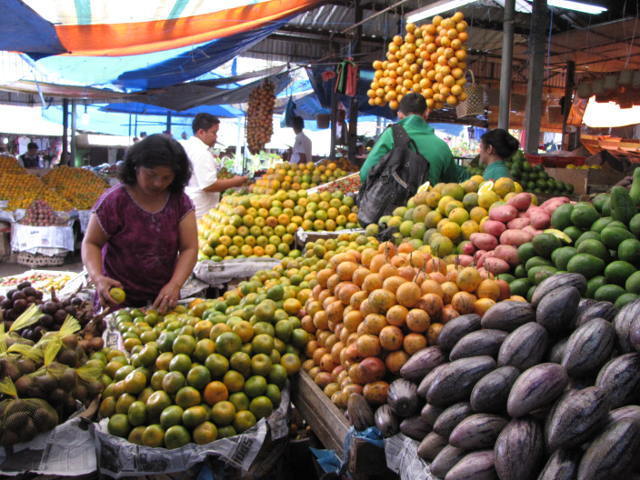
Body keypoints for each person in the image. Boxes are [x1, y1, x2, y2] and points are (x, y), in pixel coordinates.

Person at [81, 134, 198, 313]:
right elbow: (91, 243)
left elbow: (189, 248)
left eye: (167, 177)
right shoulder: (114, 201)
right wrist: (97, 278)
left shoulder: (180, 202)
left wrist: (175, 284)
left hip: (162, 300)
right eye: (151, 175)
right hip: (116, 299)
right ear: (135, 166)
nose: (158, 183)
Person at [360, 93, 467, 186]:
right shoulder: (442, 146)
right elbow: (451, 182)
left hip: (390, 207)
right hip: (427, 208)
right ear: (427, 113)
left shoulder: (390, 135)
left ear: (400, 115)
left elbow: (365, 175)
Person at [182, 113, 247, 218]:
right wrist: (236, 181)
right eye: (214, 133)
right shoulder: (201, 152)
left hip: (190, 204)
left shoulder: (188, 146)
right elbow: (208, 185)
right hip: (200, 211)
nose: (216, 137)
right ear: (201, 132)